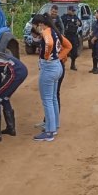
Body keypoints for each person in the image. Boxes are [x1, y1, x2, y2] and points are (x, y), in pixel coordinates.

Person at [32, 13, 63, 142]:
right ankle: (54, 125)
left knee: (47, 100)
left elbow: (49, 44)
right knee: (53, 98)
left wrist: (45, 55)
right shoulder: (54, 31)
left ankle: (49, 132)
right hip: (57, 66)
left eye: (35, 26)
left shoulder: (46, 32)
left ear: (40, 24)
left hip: (49, 68)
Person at [61, 5, 82, 70]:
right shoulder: (64, 17)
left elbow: (80, 24)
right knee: (64, 51)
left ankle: (73, 64)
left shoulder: (75, 17)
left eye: (74, 11)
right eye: (72, 11)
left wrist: (79, 23)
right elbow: (61, 25)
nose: (73, 12)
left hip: (74, 36)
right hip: (67, 36)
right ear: (68, 10)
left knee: (74, 51)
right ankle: (62, 64)